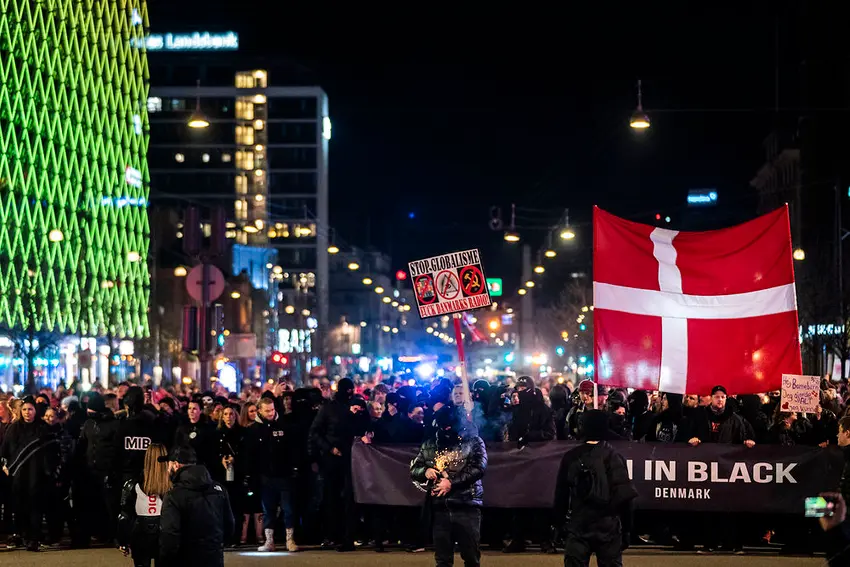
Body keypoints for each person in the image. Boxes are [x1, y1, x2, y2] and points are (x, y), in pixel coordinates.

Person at [554, 410, 638, 567]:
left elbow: (561, 495)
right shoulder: (615, 457)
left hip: (579, 524)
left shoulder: (571, 457)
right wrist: (627, 529)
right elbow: (625, 497)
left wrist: (559, 525)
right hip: (608, 526)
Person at [410, 406, 487, 567]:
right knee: (443, 560)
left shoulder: (473, 441)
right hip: (440, 508)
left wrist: (451, 483)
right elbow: (415, 468)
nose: (446, 431)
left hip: (466, 505)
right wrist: (425, 471)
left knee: (471, 557)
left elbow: (478, 468)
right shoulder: (430, 443)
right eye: (443, 427)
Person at [0, 396, 60, 551]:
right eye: (25, 409)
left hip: (38, 475)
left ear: (35, 411)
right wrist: (6, 466)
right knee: (21, 507)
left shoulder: (43, 428)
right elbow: (5, 450)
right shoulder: (14, 428)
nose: (27, 412)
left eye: (30, 409)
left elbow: (53, 451)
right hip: (19, 475)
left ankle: (34, 538)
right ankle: (24, 535)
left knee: (36, 507)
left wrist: (51, 471)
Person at [159, 445, 234, 567]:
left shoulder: (173, 495)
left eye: (169, 464)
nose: (167, 469)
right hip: (213, 559)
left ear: (176, 465)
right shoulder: (219, 490)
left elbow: (169, 536)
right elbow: (229, 526)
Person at [118, 443, 172, 567]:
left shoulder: (133, 485)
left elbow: (124, 516)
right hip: (165, 537)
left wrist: (123, 541)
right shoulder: (174, 486)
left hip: (140, 537)